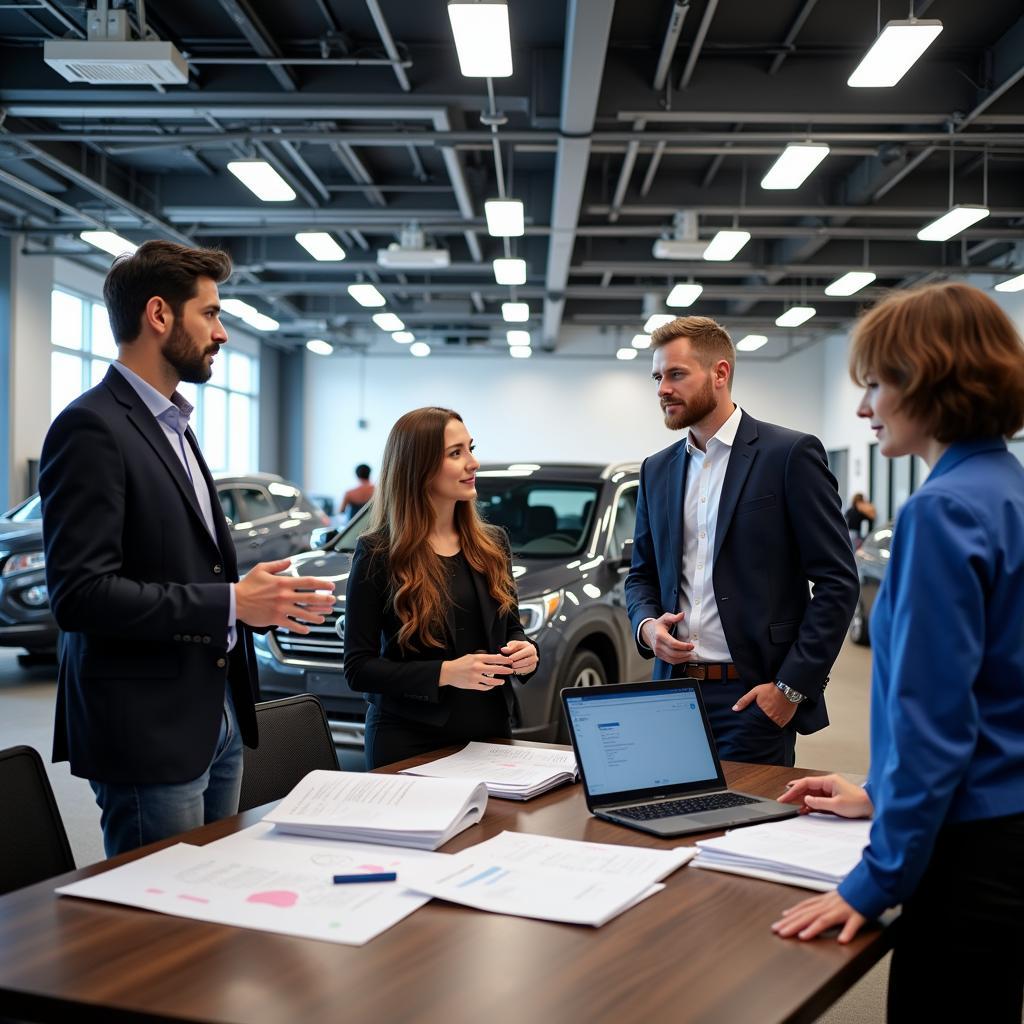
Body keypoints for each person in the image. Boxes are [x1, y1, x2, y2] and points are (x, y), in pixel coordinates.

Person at [772, 283, 1024, 1022]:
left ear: (927, 380)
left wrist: (874, 881)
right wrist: (879, 794)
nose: (863, 409)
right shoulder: (1008, 491)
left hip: (967, 853)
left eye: (875, 385)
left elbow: (933, 720)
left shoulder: (941, 511)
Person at [39, 240, 336, 857]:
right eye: (211, 313)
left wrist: (255, 596)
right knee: (161, 926)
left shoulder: (173, 426)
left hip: (215, 714)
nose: (222, 333)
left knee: (211, 904)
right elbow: (81, 596)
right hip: (148, 728)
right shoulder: (91, 427)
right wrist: (229, 602)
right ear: (159, 315)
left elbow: (176, 563)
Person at [625, 315, 859, 766]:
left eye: (675, 374)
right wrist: (647, 627)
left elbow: (837, 582)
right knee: (665, 824)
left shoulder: (789, 455)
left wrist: (790, 688)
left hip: (751, 698)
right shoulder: (657, 469)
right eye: (657, 377)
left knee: (745, 833)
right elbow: (642, 575)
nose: (662, 390)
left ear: (719, 373)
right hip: (670, 694)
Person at [343, 407, 539, 769]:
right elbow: (358, 668)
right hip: (408, 739)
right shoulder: (378, 552)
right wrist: (446, 673)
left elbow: (510, 628)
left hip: (490, 733)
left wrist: (526, 653)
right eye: (456, 453)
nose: (473, 462)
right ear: (418, 467)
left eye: (471, 448)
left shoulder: (492, 544)